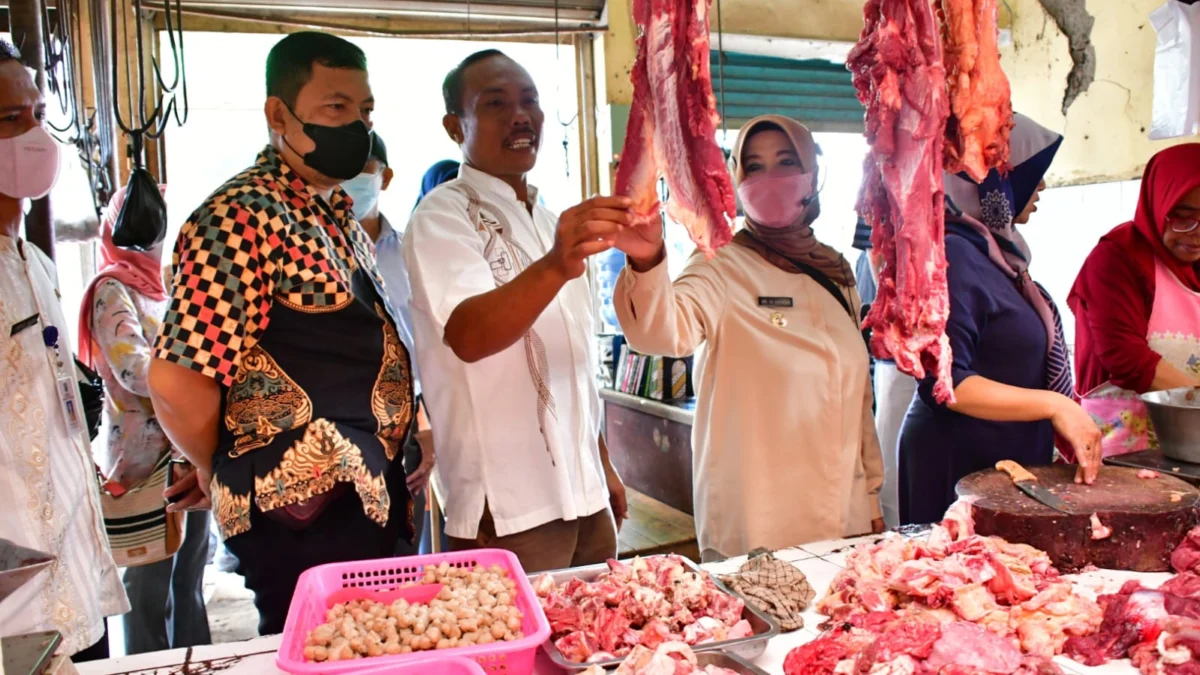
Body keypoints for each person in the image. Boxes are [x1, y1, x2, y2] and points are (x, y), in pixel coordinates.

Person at [148, 31, 415, 634]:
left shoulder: (329, 209)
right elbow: (179, 376)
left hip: (363, 494)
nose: (358, 126)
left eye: (365, 110)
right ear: (279, 114)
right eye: (336, 109)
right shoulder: (240, 216)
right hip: (303, 509)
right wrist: (215, 463)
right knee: (319, 653)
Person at [613, 114, 884, 561]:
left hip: (844, 513)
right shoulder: (720, 265)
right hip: (758, 517)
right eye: (753, 167)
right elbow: (661, 332)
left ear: (813, 175)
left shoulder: (836, 271)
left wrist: (871, 496)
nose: (769, 179)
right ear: (735, 178)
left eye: (785, 162)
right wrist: (646, 261)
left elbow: (859, 404)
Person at [404, 49, 628, 573]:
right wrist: (554, 264)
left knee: (596, 644)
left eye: (529, 101)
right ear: (454, 125)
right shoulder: (442, 214)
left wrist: (605, 465)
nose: (520, 115)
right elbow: (469, 334)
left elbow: (574, 366)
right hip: (506, 506)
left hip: (586, 495)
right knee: (511, 653)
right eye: (496, 104)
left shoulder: (552, 217)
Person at [897, 113, 1102, 526]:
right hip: (958, 461)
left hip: (998, 458)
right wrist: (1054, 404)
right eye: (1033, 173)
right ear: (994, 182)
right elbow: (946, 381)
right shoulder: (956, 255)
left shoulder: (996, 256)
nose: (1041, 185)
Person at [0, 39, 128, 659]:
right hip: (13, 591)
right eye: (8, 121)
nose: (33, 136)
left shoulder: (36, 263)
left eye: (37, 115)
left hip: (73, 563)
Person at [78, 186, 211, 655]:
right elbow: (133, 369)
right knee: (149, 585)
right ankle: (150, 667)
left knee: (190, 579)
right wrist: (196, 377)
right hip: (145, 461)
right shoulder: (111, 290)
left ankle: (199, 663)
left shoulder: (162, 288)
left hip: (188, 448)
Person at [1069, 144, 1200, 457]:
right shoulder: (1117, 257)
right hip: (1121, 443)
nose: (1196, 235)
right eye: (1183, 218)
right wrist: (1196, 399)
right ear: (1159, 203)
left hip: (1190, 442)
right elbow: (1126, 358)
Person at [341, 133, 436, 555]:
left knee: (404, 544)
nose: (349, 186)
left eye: (361, 173)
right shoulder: (316, 254)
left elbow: (426, 345)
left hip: (410, 422)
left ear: (386, 177)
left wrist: (427, 424)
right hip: (343, 425)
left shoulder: (410, 253)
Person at [853, 216, 914, 530]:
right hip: (896, 354)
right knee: (894, 470)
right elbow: (874, 253)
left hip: (903, 353)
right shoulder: (886, 180)